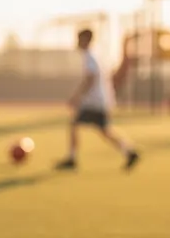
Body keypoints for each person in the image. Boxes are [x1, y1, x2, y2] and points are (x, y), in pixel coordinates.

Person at [55, 29, 140, 171]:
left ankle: (72, 158)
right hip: (100, 101)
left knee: (74, 124)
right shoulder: (93, 56)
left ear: (86, 40)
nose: (77, 42)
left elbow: (90, 79)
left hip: (94, 102)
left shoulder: (90, 57)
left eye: (79, 39)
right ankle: (129, 151)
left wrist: (77, 96)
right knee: (104, 130)